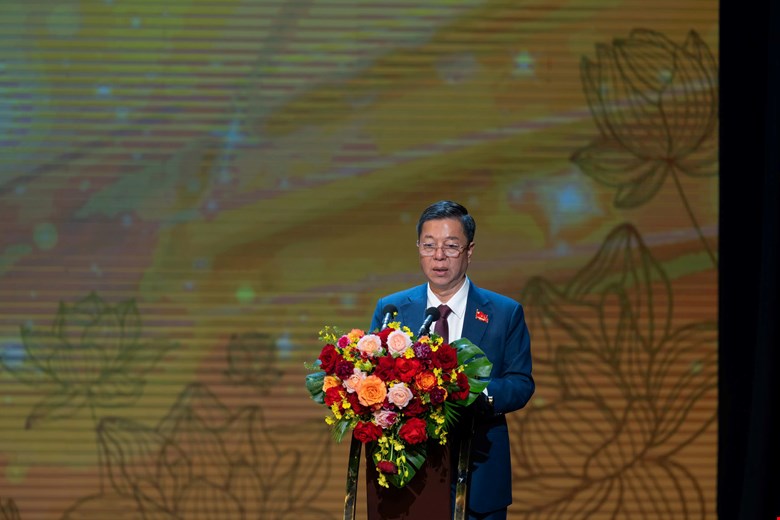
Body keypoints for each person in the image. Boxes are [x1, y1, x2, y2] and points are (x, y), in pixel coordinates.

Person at [368, 200, 535, 520]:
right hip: (406, 477)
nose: (439, 256)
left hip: (479, 474)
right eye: (429, 245)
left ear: (469, 251)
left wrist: (473, 393)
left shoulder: (504, 312)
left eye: (451, 246)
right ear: (418, 248)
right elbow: (372, 376)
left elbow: (520, 382)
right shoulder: (392, 309)